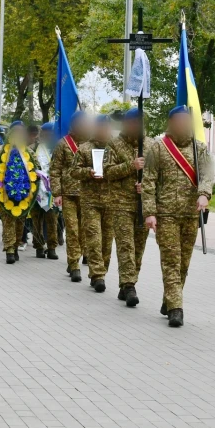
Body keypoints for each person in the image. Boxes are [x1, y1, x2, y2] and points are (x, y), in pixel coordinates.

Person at [142, 106, 213, 328]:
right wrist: (150, 212)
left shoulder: (200, 148)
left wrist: (204, 195)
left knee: (183, 263)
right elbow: (149, 181)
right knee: (171, 261)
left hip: (191, 215)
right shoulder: (158, 148)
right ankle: (176, 308)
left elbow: (208, 174)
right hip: (166, 215)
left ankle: (169, 299)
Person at [103, 108, 153, 307]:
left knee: (138, 248)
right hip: (120, 203)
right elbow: (107, 172)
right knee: (126, 245)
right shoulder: (114, 145)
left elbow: (158, 174)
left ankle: (127, 284)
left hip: (143, 204)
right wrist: (131, 166)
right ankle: (130, 285)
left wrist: (146, 185)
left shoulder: (151, 145)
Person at [73, 115, 114, 293]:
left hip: (112, 200)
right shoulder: (84, 148)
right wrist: (88, 172)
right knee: (94, 238)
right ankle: (97, 275)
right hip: (90, 200)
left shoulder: (116, 148)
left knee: (107, 240)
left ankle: (102, 269)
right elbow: (73, 172)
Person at [0, 122, 37, 264]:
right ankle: (9, 248)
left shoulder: (29, 152)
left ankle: (15, 245)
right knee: (8, 220)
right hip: (4, 192)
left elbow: (36, 168)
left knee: (20, 221)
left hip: (24, 193)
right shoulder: (0, 151)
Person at [50, 111, 89, 282]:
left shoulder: (91, 143)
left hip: (88, 194)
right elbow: (55, 170)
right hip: (68, 194)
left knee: (84, 230)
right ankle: (74, 264)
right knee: (72, 230)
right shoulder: (63, 144)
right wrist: (57, 192)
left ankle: (78, 254)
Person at [31, 122, 59, 260]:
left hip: (51, 189)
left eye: (51, 134)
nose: (48, 136)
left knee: (52, 219)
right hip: (36, 189)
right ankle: (38, 246)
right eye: (46, 134)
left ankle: (52, 247)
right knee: (36, 219)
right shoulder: (33, 148)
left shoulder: (57, 148)